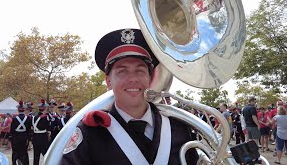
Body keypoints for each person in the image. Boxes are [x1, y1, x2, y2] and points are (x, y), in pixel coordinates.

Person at [60, 28, 198, 164]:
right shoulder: (90, 133)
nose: (133, 79)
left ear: (149, 79)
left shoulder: (178, 129)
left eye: (140, 70)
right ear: (108, 81)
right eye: (122, 71)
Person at [10, 101, 32, 165]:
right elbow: (29, 129)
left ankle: (15, 163)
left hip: (16, 137)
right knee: (24, 152)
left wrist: (11, 138)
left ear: (18, 110)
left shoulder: (14, 118)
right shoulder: (28, 118)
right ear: (24, 110)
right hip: (24, 137)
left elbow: (12, 130)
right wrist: (29, 138)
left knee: (15, 152)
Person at [32, 99, 50, 165]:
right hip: (43, 137)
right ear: (44, 108)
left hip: (35, 137)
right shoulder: (45, 117)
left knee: (36, 156)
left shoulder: (34, 117)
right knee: (45, 155)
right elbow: (48, 127)